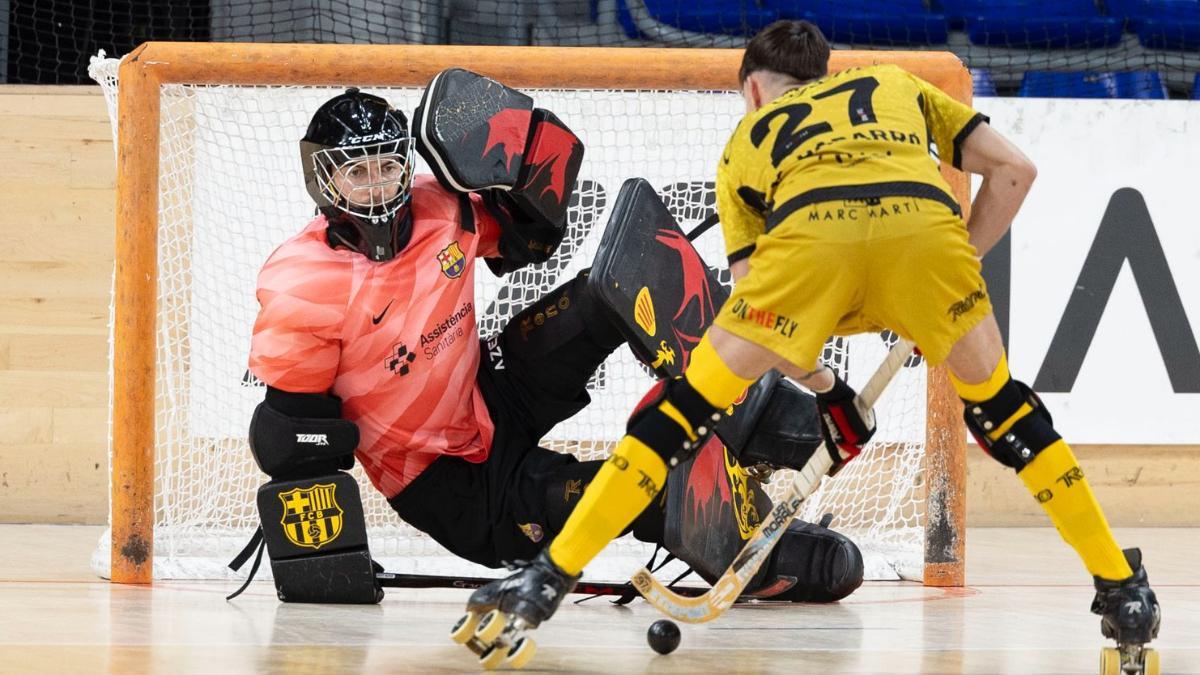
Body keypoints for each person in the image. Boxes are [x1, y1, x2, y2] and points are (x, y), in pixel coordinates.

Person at [465, 20, 1161, 673]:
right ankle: (1122, 589)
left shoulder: (748, 139)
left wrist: (829, 390)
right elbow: (1014, 172)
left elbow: (760, 317)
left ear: (753, 89)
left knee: (676, 417)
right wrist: (954, 274)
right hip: (926, 242)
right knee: (1008, 414)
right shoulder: (894, 83)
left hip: (810, 248)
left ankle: (545, 580)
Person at [241, 83, 864, 611]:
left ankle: (750, 407)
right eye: (357, 171)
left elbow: (528, 241)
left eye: (387, 166)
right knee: (642, 486)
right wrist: (324, 565)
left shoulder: (442, 205)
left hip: (492, 393)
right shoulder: (302, 284)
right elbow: (291, 437)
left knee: (611, 284)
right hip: (451, 484)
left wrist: (532, 162)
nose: (377, 185)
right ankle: (764, 557)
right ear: (325, 179)